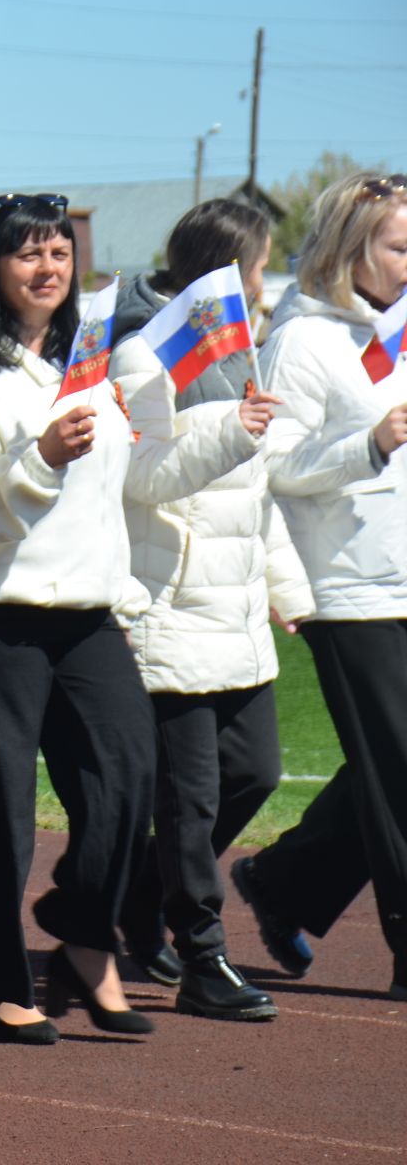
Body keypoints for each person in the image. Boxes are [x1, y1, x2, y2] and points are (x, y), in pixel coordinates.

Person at [0, 194, 199, 1042]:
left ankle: (82, 934)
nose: (47, 268)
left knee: (127, 782)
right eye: (27, 254)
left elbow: (135, 483)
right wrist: (37, 457)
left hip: (87, 613)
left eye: (59, 253)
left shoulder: (98, 370)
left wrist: (233, 437)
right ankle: (0, 985)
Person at [108, 200, 304, 1021]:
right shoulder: (140, 352)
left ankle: (140, 898)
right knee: (186, 797)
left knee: (254, 771)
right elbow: (140, 478)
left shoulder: (242, 352)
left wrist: (289, 591)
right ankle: (202, 956)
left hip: (236, 614)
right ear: (225, 270)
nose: (263, 286)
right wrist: (235, 433)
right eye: (258, 267)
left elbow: (257, 500)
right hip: (169, 606)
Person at [240, 172, 407, 1002]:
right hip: (350, 587)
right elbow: (273, 466)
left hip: (404, 573)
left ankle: (286, 884)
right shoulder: (304, 341)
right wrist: (368, 445)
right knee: (401, 768)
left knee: (390, 764)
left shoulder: (396, 331)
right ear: (350, 247)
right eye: (399, 246)